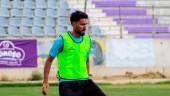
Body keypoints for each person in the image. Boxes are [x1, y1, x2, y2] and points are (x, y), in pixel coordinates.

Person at [42, 10, 106, 96]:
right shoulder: (61, 40)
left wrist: (87, 75)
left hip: (85, 82)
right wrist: (45, 82)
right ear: (73, 24)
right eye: (82, 24)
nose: (85, 27)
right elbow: (49, 61)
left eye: (86, 24)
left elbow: (86, 60)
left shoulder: (88, 41)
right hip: (67, 84)